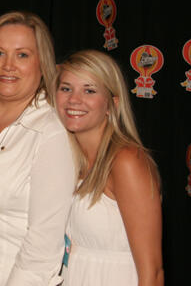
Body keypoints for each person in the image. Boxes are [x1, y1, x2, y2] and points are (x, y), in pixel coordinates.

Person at [0, 11, 75, 286]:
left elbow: (44, 242)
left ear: (42, 63)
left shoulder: (51, 132)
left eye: (22, 55)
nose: (8, 65)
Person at [55, 50, 163, 286]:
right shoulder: (67, 159)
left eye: (89, 90)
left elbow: (152, 273)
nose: (74, 99)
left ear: (111, 104)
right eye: (66, 88)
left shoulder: (126, 161)